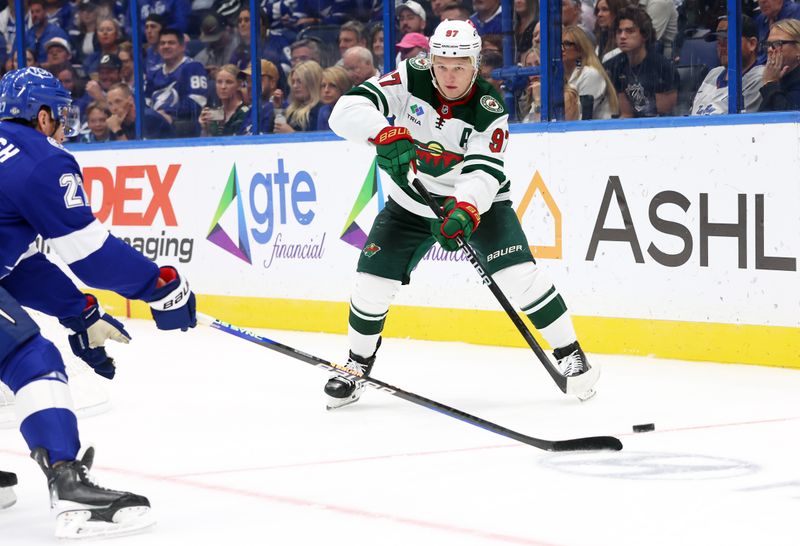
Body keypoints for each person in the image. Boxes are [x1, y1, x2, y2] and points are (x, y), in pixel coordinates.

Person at [326, 19, 599, 410]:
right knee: (370, 284)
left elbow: (485, 171)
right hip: (410, 204)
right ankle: (356, 365)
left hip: (479, 207)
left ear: (475, 64)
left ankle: (571, 354)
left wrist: (465, 210)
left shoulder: (489, 107)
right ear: (430, 60)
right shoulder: (411, 77)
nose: (449, 76)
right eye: (441, 65)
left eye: (459, 67)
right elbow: (348, 109)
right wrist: (381, 133)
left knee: (520, 277)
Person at [0, 66, 196, 538]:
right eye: (60, 114)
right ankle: (68, 485)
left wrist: (79, 312)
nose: (64, 124)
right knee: (30, 356)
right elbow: (92, 256)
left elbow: (17, 263)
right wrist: (161, 286)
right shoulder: (40, 160)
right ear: (41, 116)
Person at [603, 6, 679, 117]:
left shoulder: (662, 67)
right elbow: (626, 114)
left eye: (630, 31)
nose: (622, 36)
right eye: (619, 31)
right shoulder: (615, 65)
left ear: (644, 35)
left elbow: (664, 114)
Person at [692, 15, 764, 115]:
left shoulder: (759, 78)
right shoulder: (713, 74)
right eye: (718, 41)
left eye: (727, 40)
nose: (721, 46)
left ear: (752, 44)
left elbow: (738, 125)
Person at [145, 28, 209, 136]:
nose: (166, 46)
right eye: (162, 43)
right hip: (155, 127)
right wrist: (156, 117)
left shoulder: (193, 67)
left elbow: (196, 104)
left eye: (171, 43)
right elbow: (145, 102)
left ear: (182, 47)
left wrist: (168, 114)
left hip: (183, 129)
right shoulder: (153, 72)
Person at [562, 25, 618, 119]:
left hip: (596, 130)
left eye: (567, 44)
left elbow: (580, 116)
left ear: (581, 49)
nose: (561, 48)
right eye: (558, 44)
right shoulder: (557, 76)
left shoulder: (590, 74)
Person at [107, 81, 175, 139]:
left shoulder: (149, 118)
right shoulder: (116, 123)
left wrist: (117, 131)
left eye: (118, 101)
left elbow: (137, 153)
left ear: (130, 100)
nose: (114, 108)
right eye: (110, 104)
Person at [759, 18, 800, 111]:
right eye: (768, 44)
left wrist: (771, 83)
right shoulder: (778, 78)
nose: (770, 49)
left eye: (778, 44)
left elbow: (788, 120)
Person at [200, 63, 250, 135]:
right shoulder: (214, 114)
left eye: (229, 82)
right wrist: (204, 128)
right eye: (219, 82)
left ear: (239, 85)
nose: (223, 87)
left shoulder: (245, 113)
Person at [275, 59, 323, 132]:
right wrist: (278, 109)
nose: (295, 86)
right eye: (293, 82)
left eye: (299, 81)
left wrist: (291, 134)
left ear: (312, 83)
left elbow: (318, 141)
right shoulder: (290, 110)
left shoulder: (320, 111)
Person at [237, 59, 279, 135]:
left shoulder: (279, 107)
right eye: (248, 81)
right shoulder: (252, 110)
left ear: (272, 83)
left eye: (255, 80)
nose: (249, 85)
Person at [317, 65, 351, 130]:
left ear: (344, 88)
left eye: (332, 85)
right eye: (323, 86)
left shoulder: (353, 110)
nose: (326, 90)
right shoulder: (323, 110)